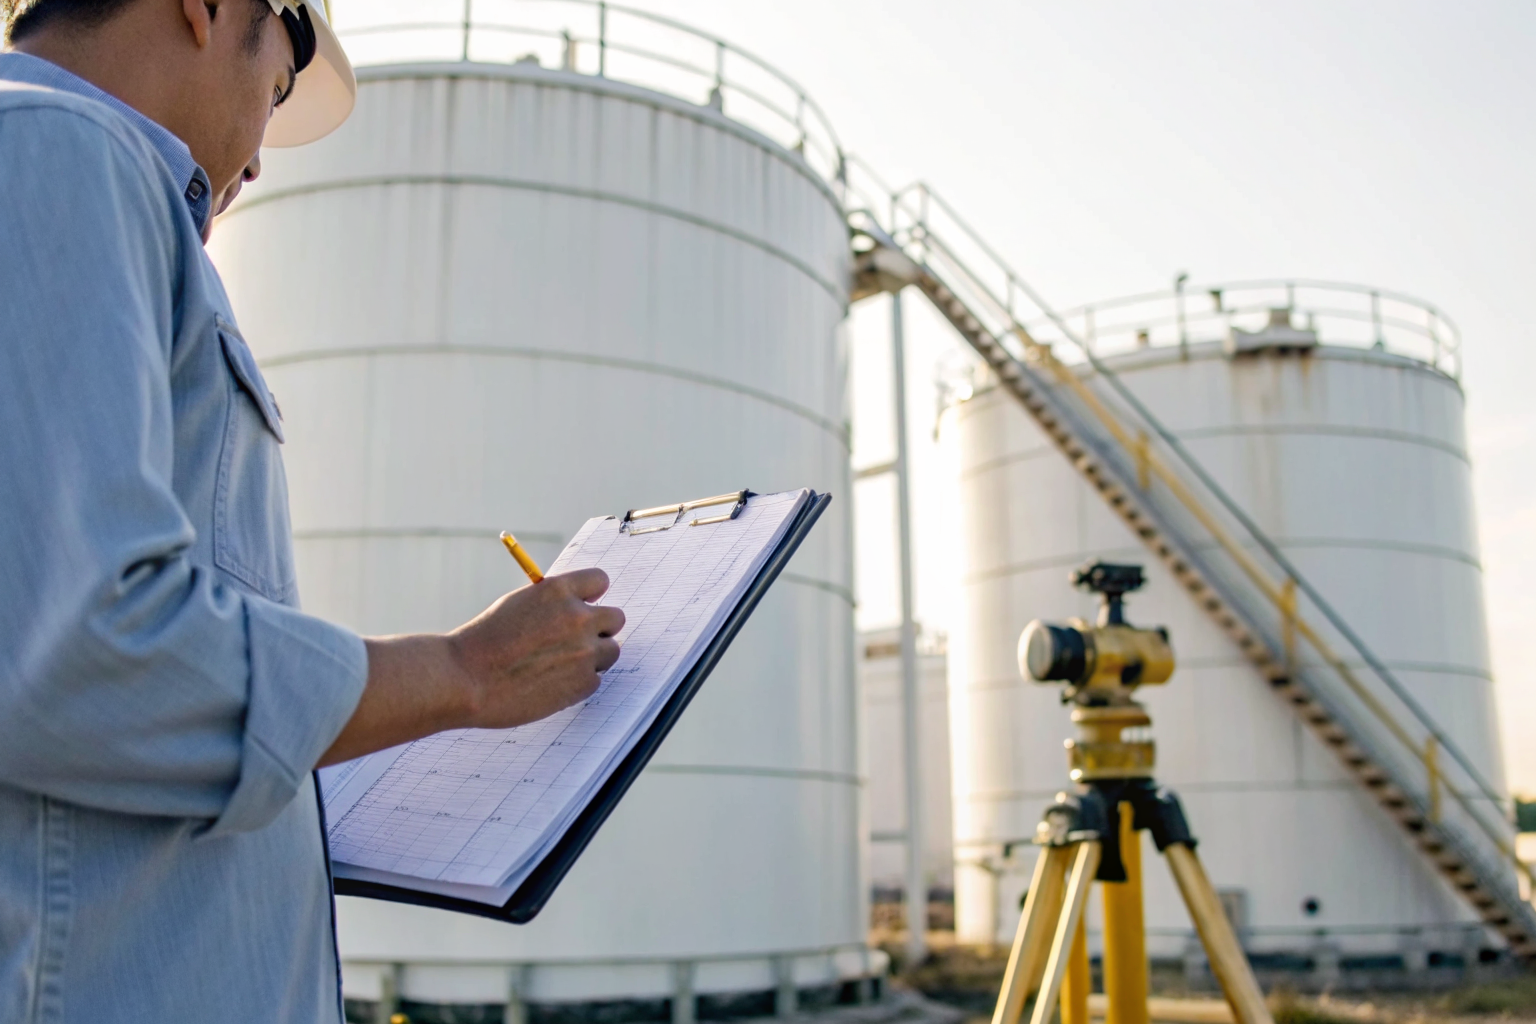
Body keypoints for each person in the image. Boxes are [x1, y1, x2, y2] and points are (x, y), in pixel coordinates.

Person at [0, 1, 625, 1019]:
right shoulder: (57, 149)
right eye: (281, 83)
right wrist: (458, 673)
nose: (260, 156)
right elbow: (75, 650)